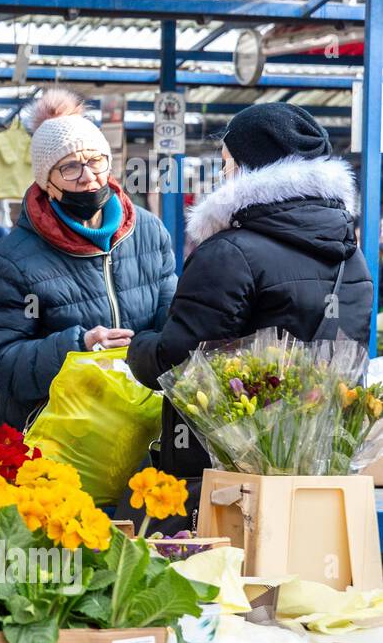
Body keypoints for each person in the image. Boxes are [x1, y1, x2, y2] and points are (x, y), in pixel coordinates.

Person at [128, 102, 372, 520]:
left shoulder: (228, 253)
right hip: (317, 480)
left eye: (226, 164)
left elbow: (181, 362)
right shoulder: (351, 257)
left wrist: (139, 348)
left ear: (250, 169)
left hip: (224, 480)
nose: (222, 176)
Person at [0, 88, 177, 430]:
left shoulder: (149, 233)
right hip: (58, 440)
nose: (88, 176)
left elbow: (170, 320)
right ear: (46, 183)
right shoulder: (10, 261)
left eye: (96, 160)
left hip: (139, 430)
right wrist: (78, 346)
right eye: (69, 167)